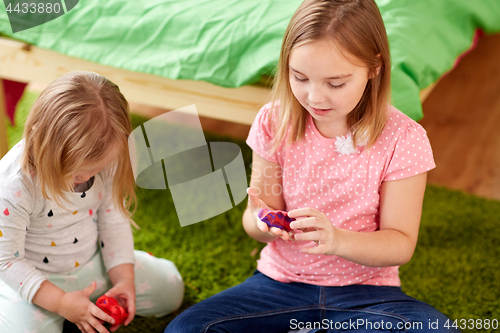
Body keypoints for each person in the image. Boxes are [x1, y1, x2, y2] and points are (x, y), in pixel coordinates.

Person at [166, 0, 459, 332]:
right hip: (278, 287)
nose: (315, 97)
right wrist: (263, 223)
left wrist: (337, 240)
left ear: (374, 67)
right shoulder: (273, 121)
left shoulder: (403, 138)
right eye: (300, 77)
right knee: (188, 329)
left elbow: (401, 243)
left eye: (335, 83)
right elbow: (255, 217)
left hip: (368, 297)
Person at [0, 71, 184, 333]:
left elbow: (113, 221)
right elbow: (7, 260)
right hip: (38, 281)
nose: (86, 178)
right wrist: (61, 302)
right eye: (77, 172)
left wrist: (124, 279)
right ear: (44, 141)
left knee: (171, 290)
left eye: (95, 169)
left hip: (93, 265)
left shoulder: (104, 158)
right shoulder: (13, 183)